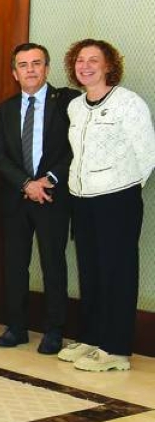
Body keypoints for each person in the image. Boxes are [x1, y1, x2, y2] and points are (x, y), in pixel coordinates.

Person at [60, 39, 155, 372]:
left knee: (117, 273)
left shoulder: (128, 103)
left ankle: (116, 349)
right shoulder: (75, 106)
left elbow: (146, 154)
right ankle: (92, 338)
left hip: (118, 199)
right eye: (80, 60)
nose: (85, 66)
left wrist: (122, 188)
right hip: (82, 200)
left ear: (108, 65)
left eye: (93, 60)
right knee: (90, 271)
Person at [0, 43, 74, 354]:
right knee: (15, 265)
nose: (30, 69)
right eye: (23, 65)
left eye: (36, 63)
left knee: (53, 263)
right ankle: (16, 326)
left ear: (47, 68)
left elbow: (73, 148)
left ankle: (54, 330)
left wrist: (47, 181)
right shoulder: (5, 109)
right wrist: (26, 183)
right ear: (15, 73)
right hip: (16, 197)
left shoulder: (67, 103)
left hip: (52, 196)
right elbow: (0, 156)